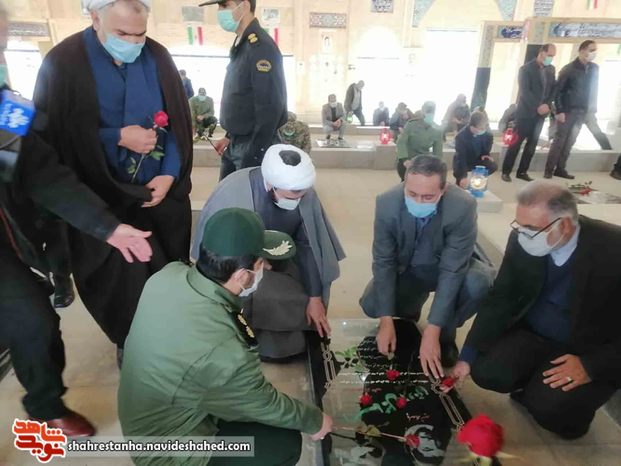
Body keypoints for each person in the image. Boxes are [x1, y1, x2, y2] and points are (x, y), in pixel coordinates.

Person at [0, 2, 153, 435]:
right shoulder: (64, 61)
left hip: (7, 239)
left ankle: (46, 404)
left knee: (35, 320)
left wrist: (108, 227)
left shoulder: (8, 108)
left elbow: (43, 172)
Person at [33, 0, 193, 358]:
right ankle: (131, 343)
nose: (133, 43)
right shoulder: (63, 62)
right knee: (122, 281)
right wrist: (115, 137)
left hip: (157, 194)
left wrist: (169, 173)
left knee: (168, 272)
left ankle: (169, 333)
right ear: (95, 18)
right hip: (100, 200)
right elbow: (50, 139)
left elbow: (178, 124)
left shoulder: (157, 57)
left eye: (140, 34)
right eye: (122, 34)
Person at [119, 208, 333, 466]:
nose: (266, 267)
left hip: (152, 413)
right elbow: (261, 401)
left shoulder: (167, 276)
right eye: (261, 264)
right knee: (282, 443)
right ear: (242, 275)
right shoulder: (224, 349)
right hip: (166, 450)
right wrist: (314, 420)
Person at [448, 181, 621, 440]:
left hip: (588, 348)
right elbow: (502, 296)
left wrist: (591, 366)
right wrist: (468, 355)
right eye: (518, 225)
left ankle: (571, 415)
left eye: (530, 228)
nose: (521, 234)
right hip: (535, 333)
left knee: (550, 408)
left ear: (564, 225)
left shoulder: (613, 249)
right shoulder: (524, 239)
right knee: (486, 370)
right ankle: (532, 386)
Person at [192, 145, 345, 361]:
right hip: (241, 264)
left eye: (302, 194)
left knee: (305, 292)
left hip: (285, 257)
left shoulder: (304, 193)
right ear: (271, 184)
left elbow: (309, 245)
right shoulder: (234, 191)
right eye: (292, 195)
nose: (298, 200)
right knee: (260, 292)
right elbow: (219, 255)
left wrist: (315, 297)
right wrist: (255, 264)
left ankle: (289, 341)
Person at [360, 155, 495, 377]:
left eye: (428, 197)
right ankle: (409, 309)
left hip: (448, 266)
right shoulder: (387, 202)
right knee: (372, 304)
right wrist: (386, 320)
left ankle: (445, 334)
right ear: (404, 183)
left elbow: (452, 270)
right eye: (412, 194)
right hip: (409, 267)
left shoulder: (462, 205)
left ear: (444, 189)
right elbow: (384, 261)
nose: (419, 202)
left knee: (477, 284)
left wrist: (432, 332)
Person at [202, 0, 287, 180]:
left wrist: (255, 153)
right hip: (237, 141)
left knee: (247, 196)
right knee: (227, 194)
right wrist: (230, 136)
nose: (220, 11)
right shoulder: (242, 44)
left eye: (225, 6)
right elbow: (242, 96)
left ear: (245, 6)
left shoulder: (260, 47)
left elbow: (270, 105)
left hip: (253, 144)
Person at [545, 40, 600, 180]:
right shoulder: (569, 69)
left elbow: (594, 90)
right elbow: (558, 92)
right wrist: (559, 110)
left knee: (570, 141)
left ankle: (560, 169)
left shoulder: (594, 68)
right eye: (591, 50)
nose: (593, 53)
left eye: (595, 50)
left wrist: (591, 109)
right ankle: (549, 170)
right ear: (582, 51)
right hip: (567, 111)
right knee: (559, 141)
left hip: (583, 111)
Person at [502, 44, 557, 183]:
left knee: (532, 145)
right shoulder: (526, 69)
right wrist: (537, 106)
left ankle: (522, 172)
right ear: (542, 52)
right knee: (515, 144)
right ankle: (506, 171)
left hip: (540, 115)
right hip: (525, 113)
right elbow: (525, 92)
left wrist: (547, 105)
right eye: (549, 55)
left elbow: (553, 90)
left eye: (553, 56)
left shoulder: (551, 69)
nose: (551, 58)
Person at [396, 102, 443, 181]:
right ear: (423, 111)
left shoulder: (437, 130)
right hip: (408, 158)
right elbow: (401, 142)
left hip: (423, 161)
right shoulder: (411, 124)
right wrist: (405, 160)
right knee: (406, 180)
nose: (430, 114)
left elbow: (438, 152)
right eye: (428, 111)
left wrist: (437, 166)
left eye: (432, 111)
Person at [453, 111, 497, 188]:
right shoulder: (461, 137)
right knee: (461, 180)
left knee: (492, 165)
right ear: (472, 126)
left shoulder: (488, 135)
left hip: (478, 159)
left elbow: (486, 150)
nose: (483, 130)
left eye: (484, 128)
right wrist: (464, 176)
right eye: (481, 128)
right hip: (463, 161)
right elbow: (461, 157)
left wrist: (486, 155)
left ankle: (478, 179)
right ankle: (461, 182)